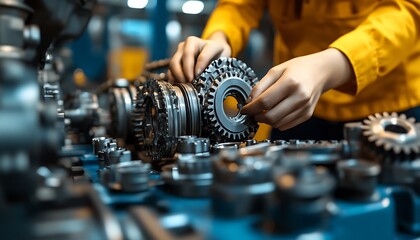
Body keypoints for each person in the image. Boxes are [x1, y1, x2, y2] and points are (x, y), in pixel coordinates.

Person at [167, 0, 420, 141]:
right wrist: (220, 36)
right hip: (293, 107)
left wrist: (331, 65)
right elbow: (240, 4)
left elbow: (408, 11)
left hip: (387, 105)